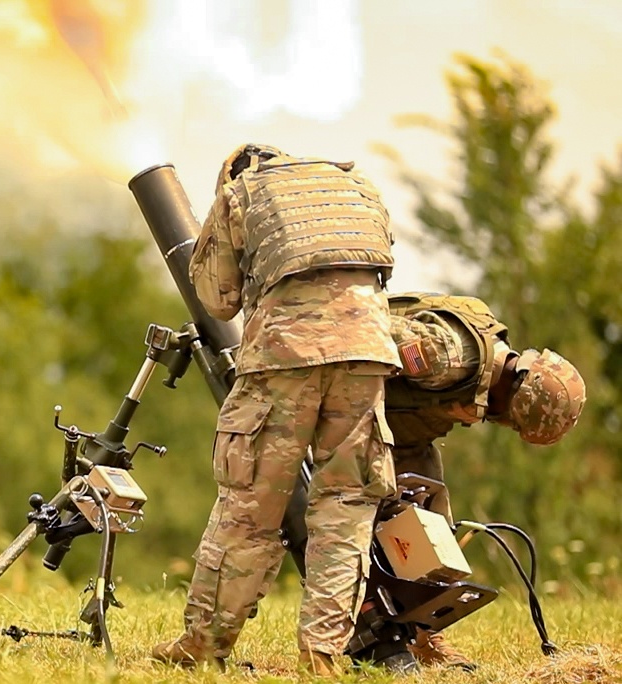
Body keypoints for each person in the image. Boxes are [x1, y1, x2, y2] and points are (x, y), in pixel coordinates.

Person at [151, 143, 401, 676]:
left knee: (250, 507)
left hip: (287, 355)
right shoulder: (356, 184)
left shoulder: (241, 193)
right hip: (368, 349)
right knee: (347, 507)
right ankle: (323, 653)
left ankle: (204, 643)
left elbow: (218, 300)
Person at [383, 291, 587, 669]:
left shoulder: (481, 378)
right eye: (511, 421)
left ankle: (420, 637)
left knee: (432, 522)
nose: (501, 424)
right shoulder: (448, 357)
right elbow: (356, 333)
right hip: (333, 410)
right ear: (513, 403)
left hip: (395, 435)